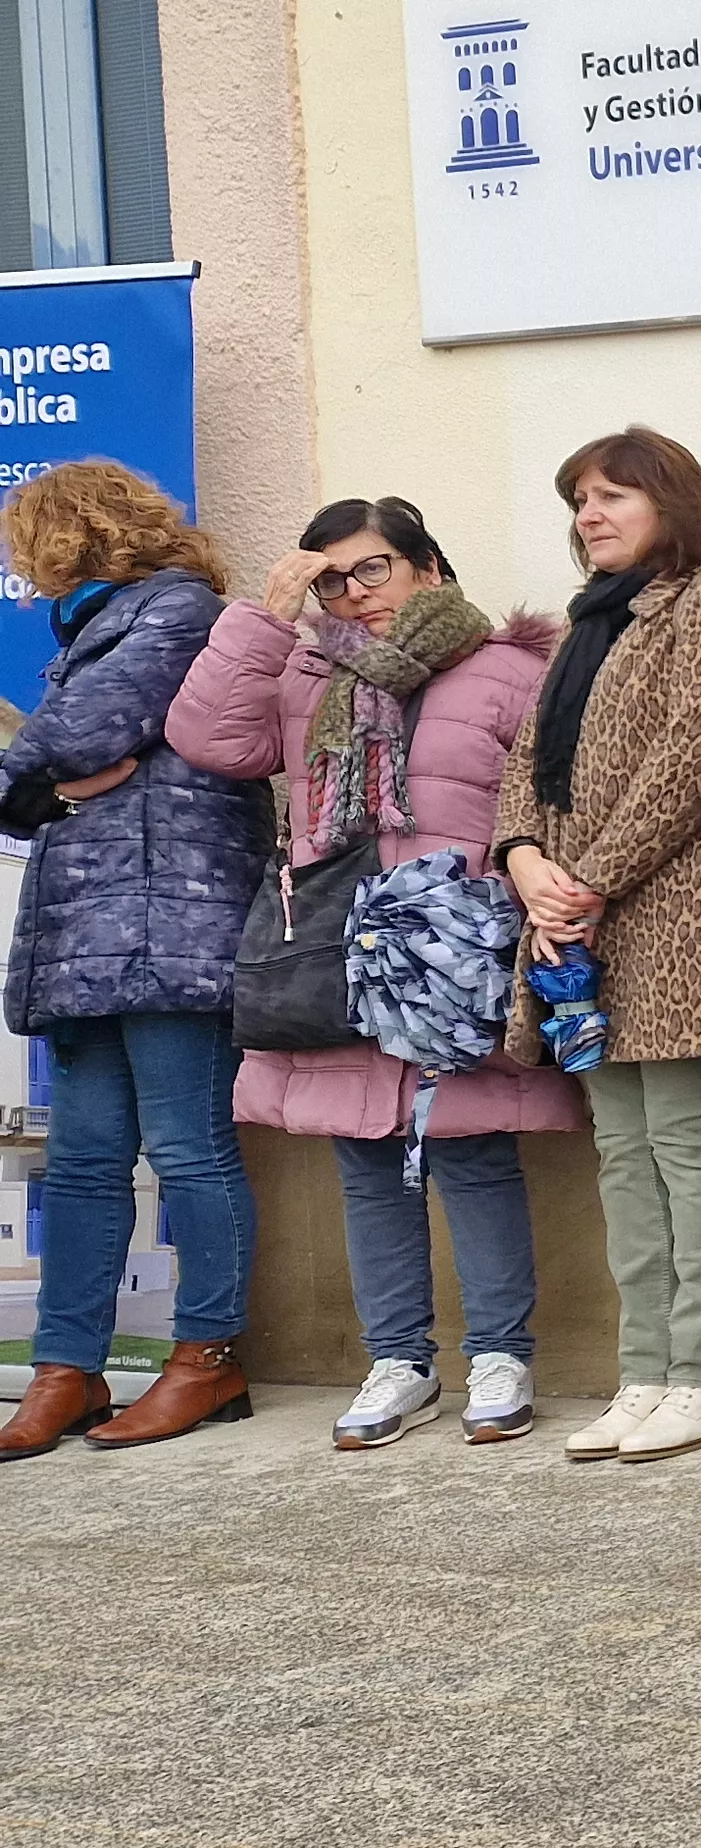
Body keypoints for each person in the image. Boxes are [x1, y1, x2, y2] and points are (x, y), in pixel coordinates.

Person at [163, 497, 579, 1450]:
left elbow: (555, 800)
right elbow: (209, 739)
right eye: (333, 578)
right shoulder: (307, 672)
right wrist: (265, 617)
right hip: (341, 950)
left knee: (473, 1151)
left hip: (456, 954)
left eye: (374, 569)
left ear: (429, 566)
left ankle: (501, 1355)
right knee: (365, 1157)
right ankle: (398, 1360)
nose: (356, 593)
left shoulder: (510, 670)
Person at [494, 428, 701, 1466]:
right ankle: (647, 1370)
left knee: (684, 1135)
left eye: (613, 495)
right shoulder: (591, 620)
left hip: (685, 918)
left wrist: (584, 880)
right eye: (580, 498)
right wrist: (526, 858)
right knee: (622, 1149)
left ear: (672, 501)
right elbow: (529, 760)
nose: (590, 515)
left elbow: (696, 755)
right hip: (586, 923)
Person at [0, 463, 267, 1458]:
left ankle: (208, 1356)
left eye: (28, 545)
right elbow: (67, 764)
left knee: (190, 1148)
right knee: (81, 1163)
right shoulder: (99, 628)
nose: (23, 570)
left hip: (172, 922)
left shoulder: (176, 613)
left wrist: (49, 780)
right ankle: (66, 1371)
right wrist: (60, 786)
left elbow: (80, 738)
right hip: (96, 928)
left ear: (73, 534)